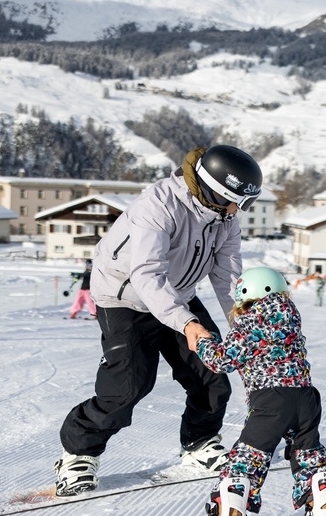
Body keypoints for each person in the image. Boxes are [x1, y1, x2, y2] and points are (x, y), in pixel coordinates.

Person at [53, 145, 263, 497]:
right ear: (211, 189)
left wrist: (245, 323)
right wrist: (187, 323)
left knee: (211, 374)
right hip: (126, 298)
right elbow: (147, 275)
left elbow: (228, 277)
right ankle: (78, 455)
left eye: (241, 204)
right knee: (126, 388)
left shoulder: (224, 220)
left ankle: (199, 445)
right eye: (231, 201)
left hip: (177, 294)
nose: (234, 211)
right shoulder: (158, 205)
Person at [195, 267, 326, 516]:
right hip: (306, 399)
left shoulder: (252, 320)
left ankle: (229, 509)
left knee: (245, 463)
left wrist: (202, 341)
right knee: (309, 456)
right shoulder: (290, 316)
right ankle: (323, 505)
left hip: (272, 401)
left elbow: (221, 360)